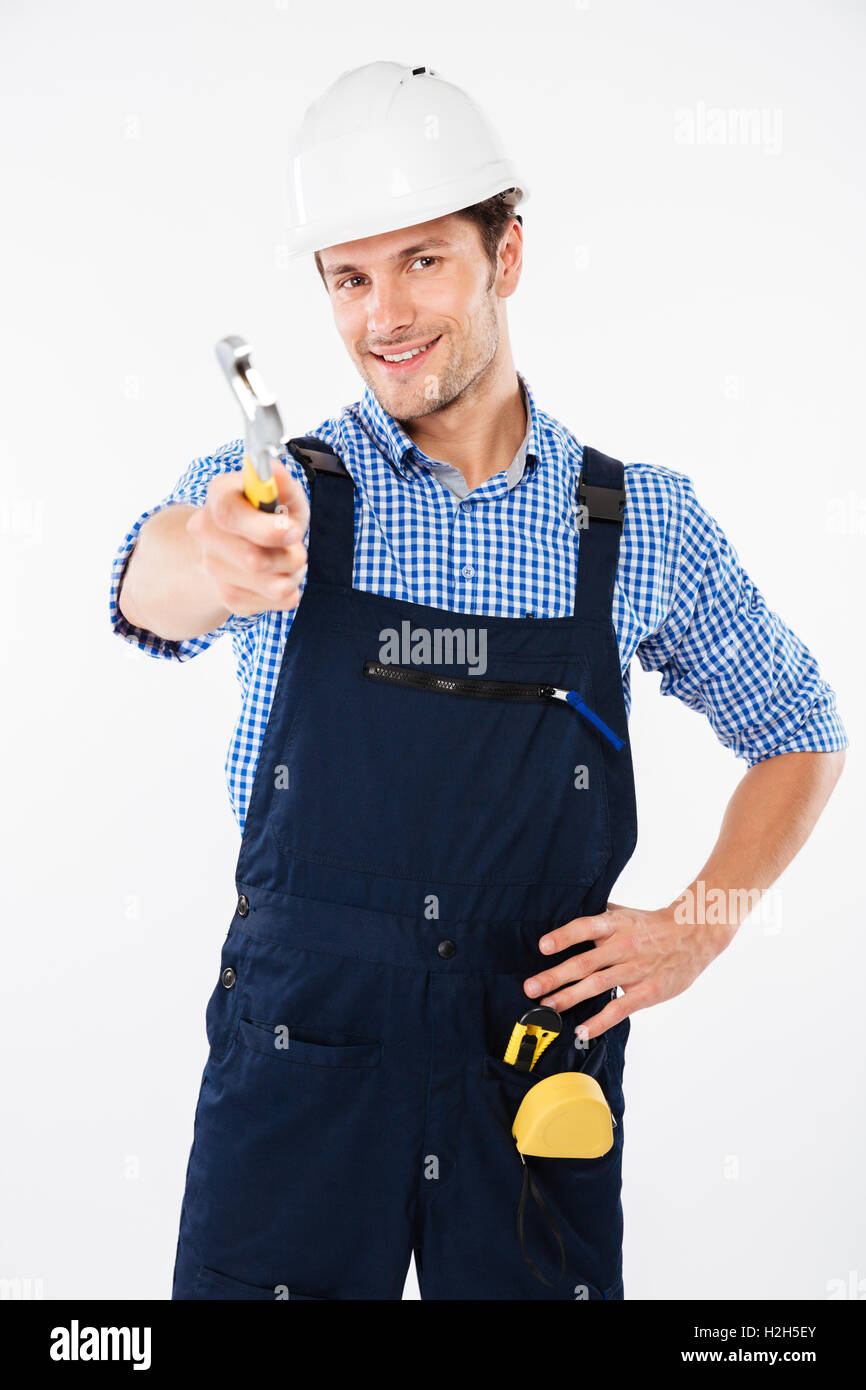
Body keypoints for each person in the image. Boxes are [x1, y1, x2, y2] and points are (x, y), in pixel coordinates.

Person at [110, 61, 847, 1301]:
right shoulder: (274, 494)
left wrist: (699, 930)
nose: (382, 315)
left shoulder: (639, 525)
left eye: (422, 262)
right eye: (349, 276)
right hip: (304, 1054)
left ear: (505, 253)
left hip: (528, 1065)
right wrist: (210, 555)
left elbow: (801, 727)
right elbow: (148, 586)